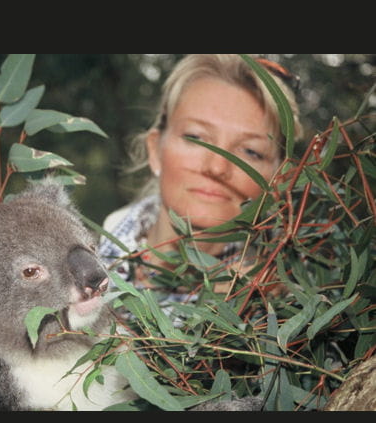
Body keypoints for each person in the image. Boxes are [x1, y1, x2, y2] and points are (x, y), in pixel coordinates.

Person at [98, 54, 304, 297]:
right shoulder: (81, 265)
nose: (217, 167)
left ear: (277, 179)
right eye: (196, 138)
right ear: (155, 150)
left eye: (250, 152)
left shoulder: (288, 308)